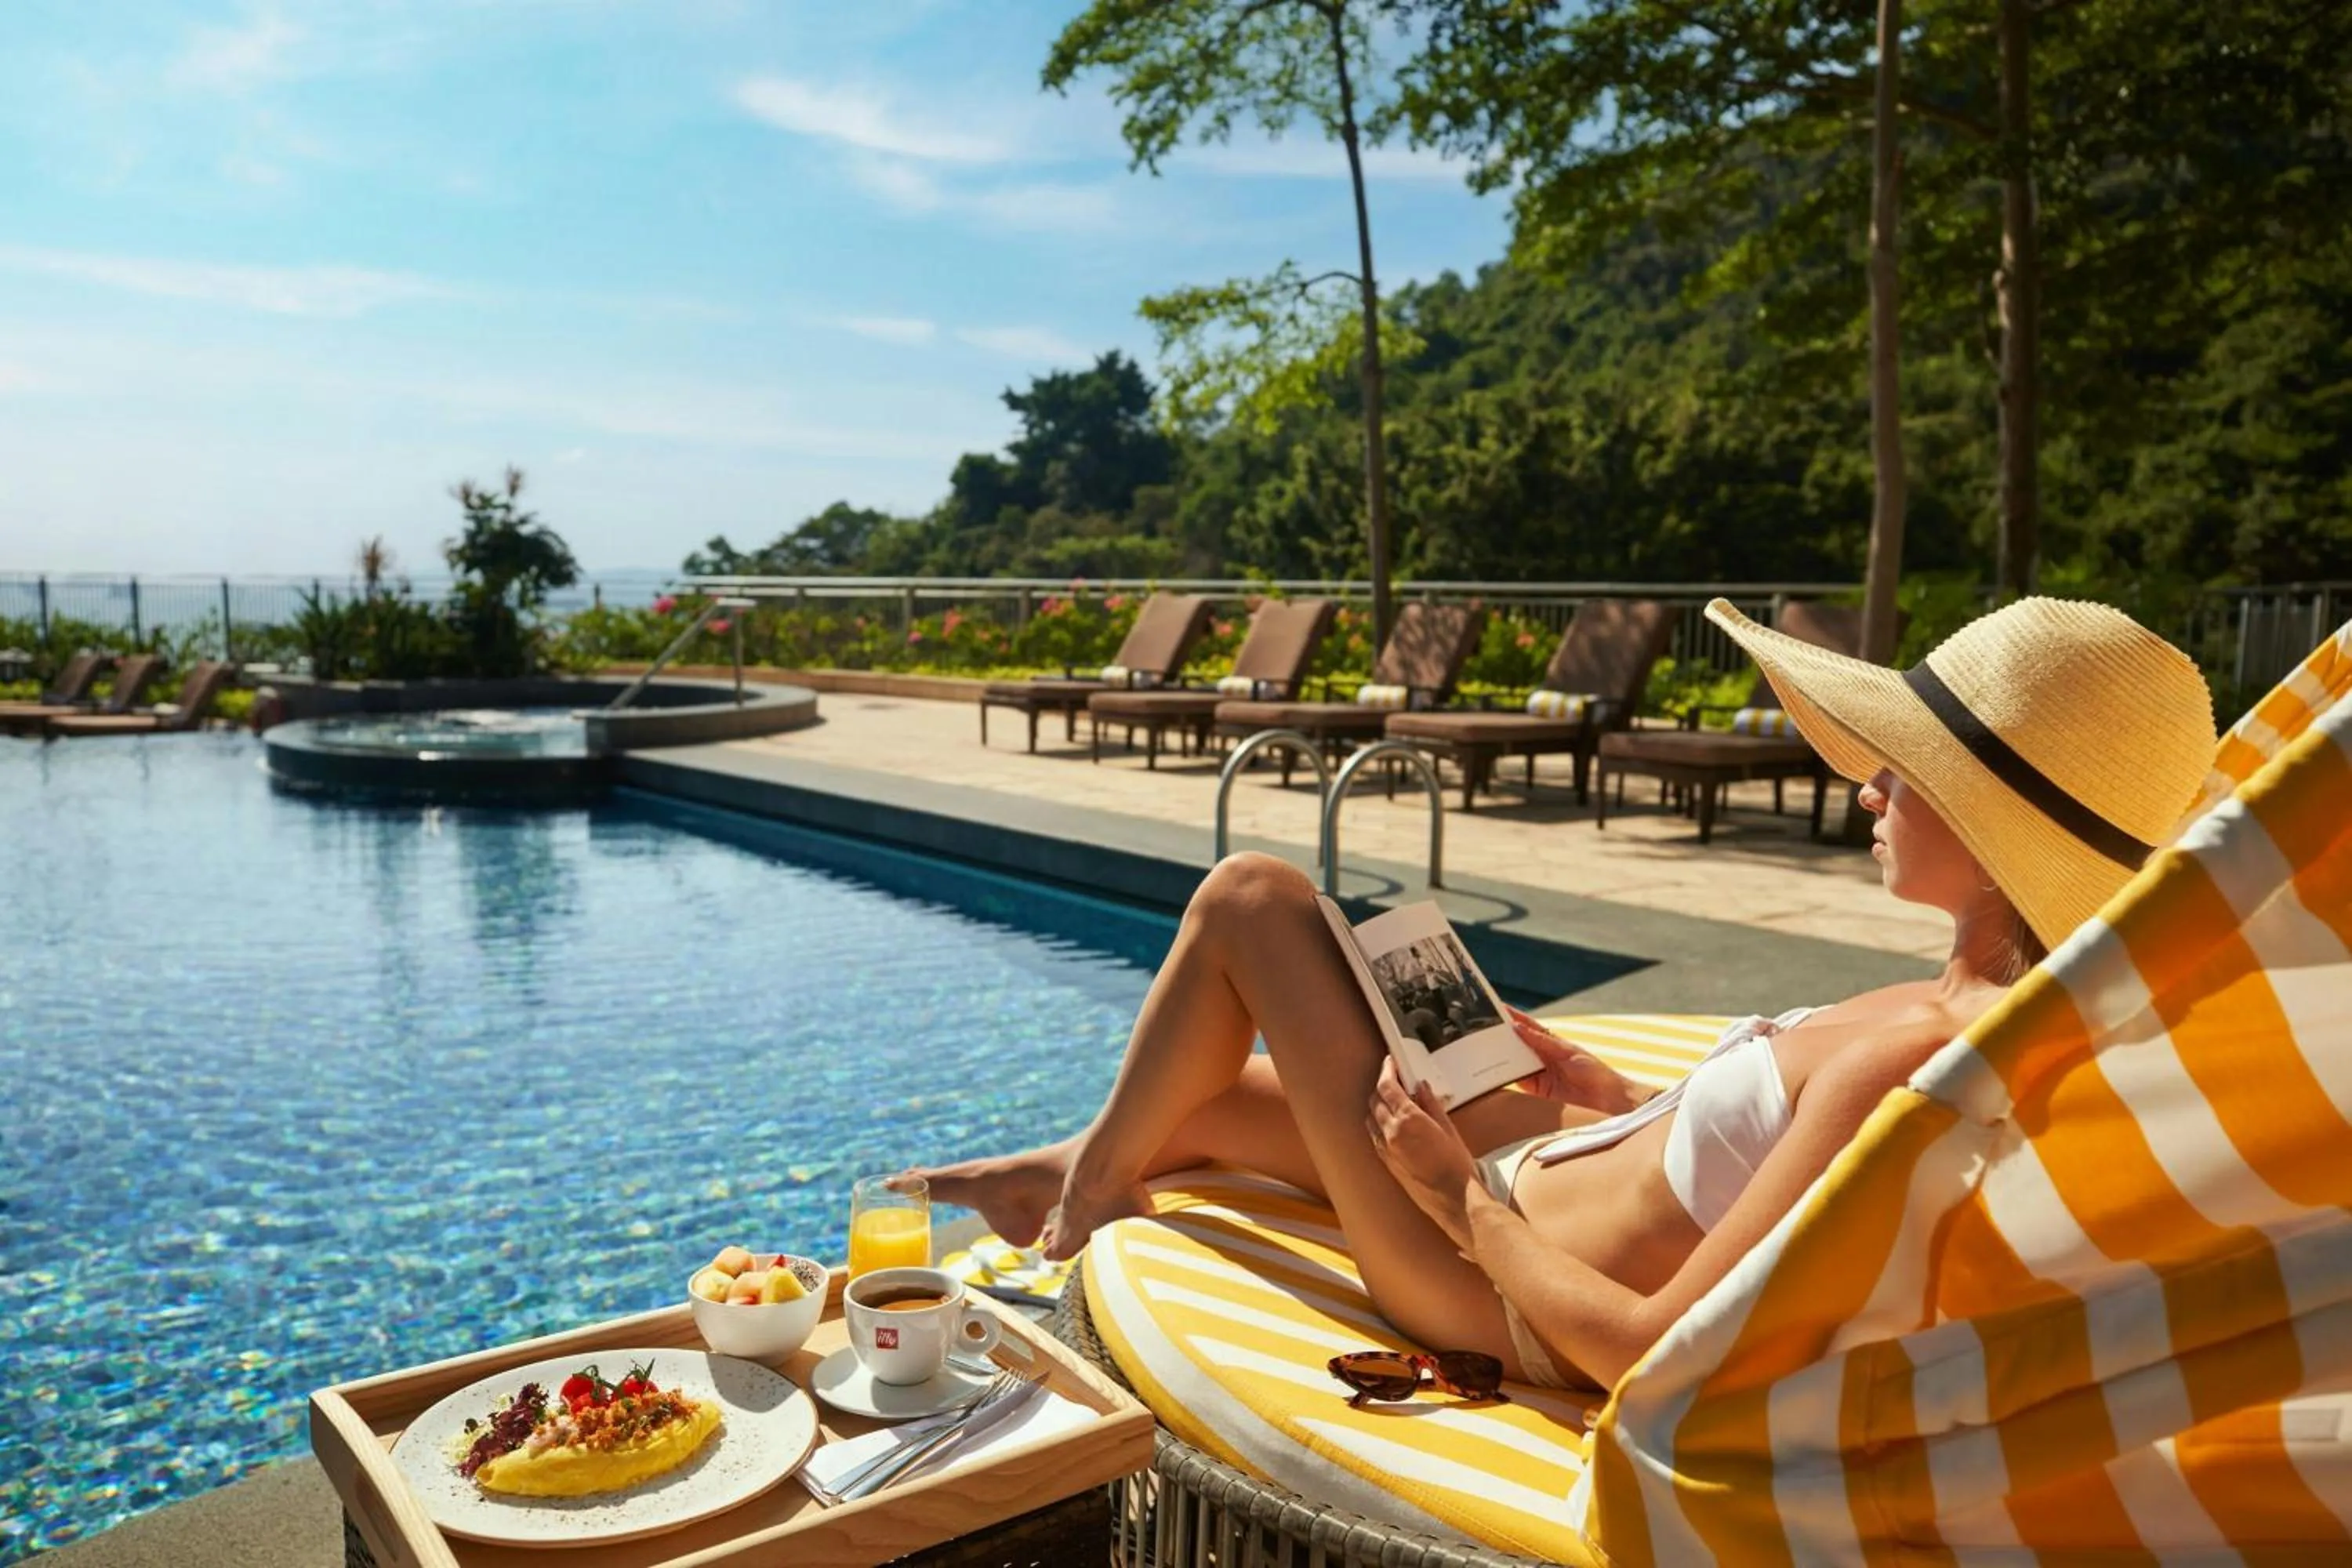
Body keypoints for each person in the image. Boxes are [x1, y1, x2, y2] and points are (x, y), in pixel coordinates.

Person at [902, 597, 2215, 1391]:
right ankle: (1070, 1168)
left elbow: (1653, 1349)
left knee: (1253, 900)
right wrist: (1612, 1095)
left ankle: (1069, 1218)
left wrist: (1455, 1199)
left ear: (1990, 833)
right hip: (1541, 1165)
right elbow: (1747, 1186)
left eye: (1903, 774)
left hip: (1491, 1286)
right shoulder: (1941, 1005)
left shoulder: (1912, 1057)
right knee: (1204, 1104)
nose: (1868, 788)